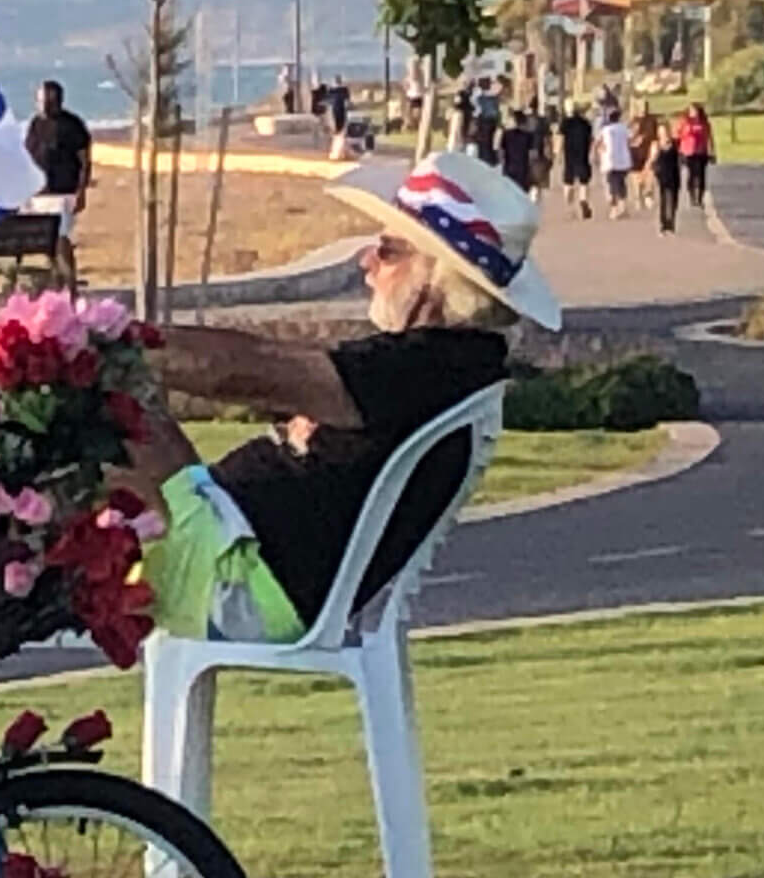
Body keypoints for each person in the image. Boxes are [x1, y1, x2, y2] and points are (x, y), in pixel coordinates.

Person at [120, 151, 561, 643]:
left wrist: (110, 341)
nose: (366, 261)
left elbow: (246, 373)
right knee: (81, 402)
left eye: (388, 250)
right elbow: (282, 382)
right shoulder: (450, 364)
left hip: (243, 587)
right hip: (238, 553)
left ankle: (22, 577)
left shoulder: (422, 369)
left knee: (89, 396)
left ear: (437, 280)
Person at [24, 80, 92, 291]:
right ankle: (55, 283)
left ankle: (69, 284)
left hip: (63, 194)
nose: (44, 105)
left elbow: (84, 161)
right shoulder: (35, 124)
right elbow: (29, 156)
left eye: (48, 101)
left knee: (61, 238)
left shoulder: (72, 125)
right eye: (41, 101)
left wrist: (81, 191)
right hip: (38, 195)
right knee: (44, 243)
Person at [559, 100, 595, 219]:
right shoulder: (586, 123)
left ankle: (570, 207)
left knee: (568, 181)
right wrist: (590, 152)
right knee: (584, 181)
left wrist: (558, 153)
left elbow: (561, 139)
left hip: (569, 155)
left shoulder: (565, 123)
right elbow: (591, 140)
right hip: (582, 155)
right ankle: (583, 199)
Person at [596, 107, 634, 219]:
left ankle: (614, 209)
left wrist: (599, 151)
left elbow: (598, 143)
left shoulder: (605, 130)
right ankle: (623, 207)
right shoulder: (624, 128)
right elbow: (631, 139)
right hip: (623, 160)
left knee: (612, 185)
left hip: (610, 161)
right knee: (621, 183)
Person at [676, 102, 715, 209]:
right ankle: (692, 196)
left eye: (695, 111)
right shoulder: (684, 122)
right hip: (688, 152)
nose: (693, 113)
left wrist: (712, 151)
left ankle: (700, 197)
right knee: (692, 175)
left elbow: (709, 137)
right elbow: (678, 136)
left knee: (701, 176)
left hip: (701, 152)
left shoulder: (704, 123)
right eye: (691, 111)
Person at [627, 99, 662, 212]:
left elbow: (656, 136)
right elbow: (629, 137)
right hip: (635, 153)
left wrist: (656, 146)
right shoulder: (633, 121)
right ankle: (638, 198)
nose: (643, 108)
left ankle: (648, 194)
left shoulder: (652, 120)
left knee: (650, 173)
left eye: (645, 106)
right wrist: (634, 139)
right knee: (637, 178)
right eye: (641, 106)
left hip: (649, 150)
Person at [651, 121, 683, 235]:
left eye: (665, 131)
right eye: (660, 132)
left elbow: (680, 157)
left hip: (674, 174)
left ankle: (671, 223)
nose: (663, 134)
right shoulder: (656, 145)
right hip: (662, 176)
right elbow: (652, 160)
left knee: (673, 200)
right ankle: (664, 224)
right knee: (664, 199)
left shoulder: (675, 143)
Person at [498, 106, 537, 195]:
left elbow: (501, 152)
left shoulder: (506, 134)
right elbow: (532, 155)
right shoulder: (528, 136)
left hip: (509, 168)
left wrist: (502, 165)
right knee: (522, 194)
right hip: (523, 169)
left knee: (509, 193)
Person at [471, 78, 501, 164]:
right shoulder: (493, 97)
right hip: (490, 121)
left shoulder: (479, 97)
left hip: (484, 121)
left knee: (484, 142)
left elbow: (476, 110)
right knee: (489, 141)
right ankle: (491, 159)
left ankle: (485, 159)